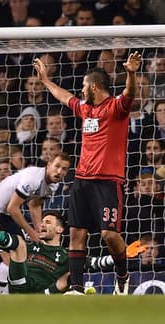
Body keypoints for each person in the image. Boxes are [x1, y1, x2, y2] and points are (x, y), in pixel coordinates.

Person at [34, 51, 142, 295]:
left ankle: (123, 275)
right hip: (82, 181)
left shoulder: (115, 108)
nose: (81, 90)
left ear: (94, 86)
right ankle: (77, 288)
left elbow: (130, 94)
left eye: (84, 86)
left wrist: (131, 74)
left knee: (109, 235)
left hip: (107, 183)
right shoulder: (85, 109)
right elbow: (65, 97)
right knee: (76, 234)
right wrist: (44, 81)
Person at [0, 152, 71, 294]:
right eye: (57, 166)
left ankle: (0, 295)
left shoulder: (53, 186)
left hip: (4, 214)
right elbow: (13, 208)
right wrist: (32, 233)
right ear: (48, 165)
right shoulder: (33, 179)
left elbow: (34, 206)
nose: (59, 171)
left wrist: (38, 230)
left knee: (18, 255)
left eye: (64, 169)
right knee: (14, 256)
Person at [0, 200, 70, 294]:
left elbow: (85, 264)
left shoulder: (67, 255)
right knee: (19, 243)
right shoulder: (30, 245)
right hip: (20, 283)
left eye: (48, 222)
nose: (42, 224)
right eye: (42, 222)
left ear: (59, 229)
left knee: (68, 277)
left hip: (44, 293)